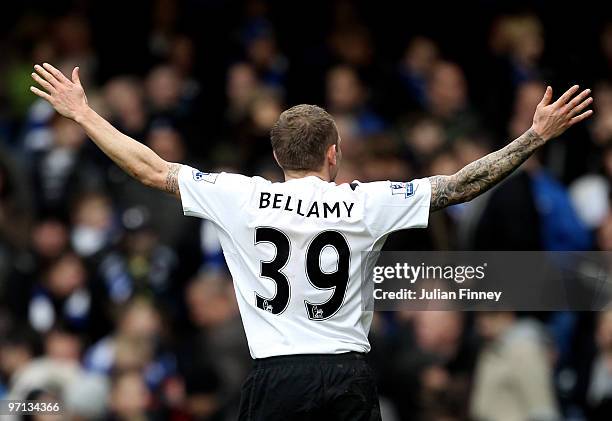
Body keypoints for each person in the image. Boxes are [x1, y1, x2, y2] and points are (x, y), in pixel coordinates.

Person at [29, 62, 592, 421]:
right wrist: (534, 137)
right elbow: (461, 185)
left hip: (275, 376)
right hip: (346, 375)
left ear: (277, 157)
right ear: (333, 153)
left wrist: (82, 113)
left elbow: (151, 169)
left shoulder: (236, 195)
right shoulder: (366, 201)